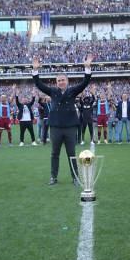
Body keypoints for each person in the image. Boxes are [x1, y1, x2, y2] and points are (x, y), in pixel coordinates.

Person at [31, 54, 93, 185]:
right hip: (55, 128)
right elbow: (39, 85)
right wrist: (35, 71)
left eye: (63, 80)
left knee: (72, 154)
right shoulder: (53, 91)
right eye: (59, 80)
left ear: (67, 81)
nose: (61, 82)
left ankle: (75, 177)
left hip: (70, 127)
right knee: (55, 154)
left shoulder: (72, 91)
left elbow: (84, 83)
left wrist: (87, 68)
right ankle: (53, 177)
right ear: (56, 82)